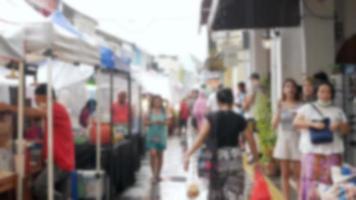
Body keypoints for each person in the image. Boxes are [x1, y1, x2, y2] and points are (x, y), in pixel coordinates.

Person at [0, 84, 75, 199]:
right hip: (62, 159)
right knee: (57, 191)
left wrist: (9, 107)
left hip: (61, 161)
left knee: (39, 187)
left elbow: (33, 112)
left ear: (44, 97)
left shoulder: (56, 108)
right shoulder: (54, 110)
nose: (37, 104)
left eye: (37, 100)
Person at [184, 88, 259, 200]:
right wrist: (256, 159)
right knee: (234, 194)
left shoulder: (211, 118)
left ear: (218, 101)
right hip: (235, 159)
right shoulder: (240, 118)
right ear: (232, 101)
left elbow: (200, 139)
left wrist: (188, 154)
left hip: (217, 160)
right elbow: (251, 141)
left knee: (216, 195)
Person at [293, 81, 350, 200]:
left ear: (332, 94)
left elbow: (346, 131)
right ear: (316, 93)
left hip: (332, 153)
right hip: (312, 153)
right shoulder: (307, 108)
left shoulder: (338, 111)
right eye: (322, 91)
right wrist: (312, 124)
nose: (325, 94)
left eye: (328, 91)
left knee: (331, 187)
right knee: (311, 186)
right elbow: (296, 123)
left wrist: (339, 124)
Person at [272, 78, 301, 200]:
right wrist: (279, 110)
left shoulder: (301, 105)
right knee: (285, 174)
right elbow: (274, 125)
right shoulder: (280, 105)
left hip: (298, 140)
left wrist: (297, 117)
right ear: (283, 90)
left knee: (299, 174)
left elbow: (303, 125)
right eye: (287, 86)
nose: (290, 89)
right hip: (284, 140)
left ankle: (301, 197)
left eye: (292, 86)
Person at [145, 95, 168, 183]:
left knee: (160, 155)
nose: (157, 102)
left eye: (159, 101)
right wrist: (153, 122)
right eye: (156, 101)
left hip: (161, 136)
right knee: (153, 155)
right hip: (152, 135)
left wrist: (163, 122)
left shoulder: (164, 111)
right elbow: (145, 122)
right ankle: (153, 175)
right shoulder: (149, 111)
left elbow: (168, 122)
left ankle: (158, 174)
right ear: (153, 102)